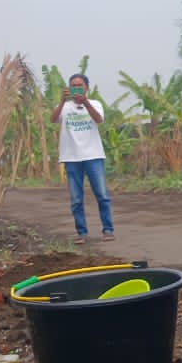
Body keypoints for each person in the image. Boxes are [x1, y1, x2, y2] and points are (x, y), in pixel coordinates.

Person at [51, 73, 113, 244]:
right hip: (71, 157)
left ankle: (108, 229)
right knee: (76, 198)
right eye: (73, 85)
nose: (76, 88)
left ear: (87, 87)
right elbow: (53, 119)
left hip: (93, 155)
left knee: (102, 194)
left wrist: (85, 102)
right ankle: (81, 232)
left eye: (80, 85)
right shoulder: (63, 106)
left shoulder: (95, 104)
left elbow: (99, 119)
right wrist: (62, 101)